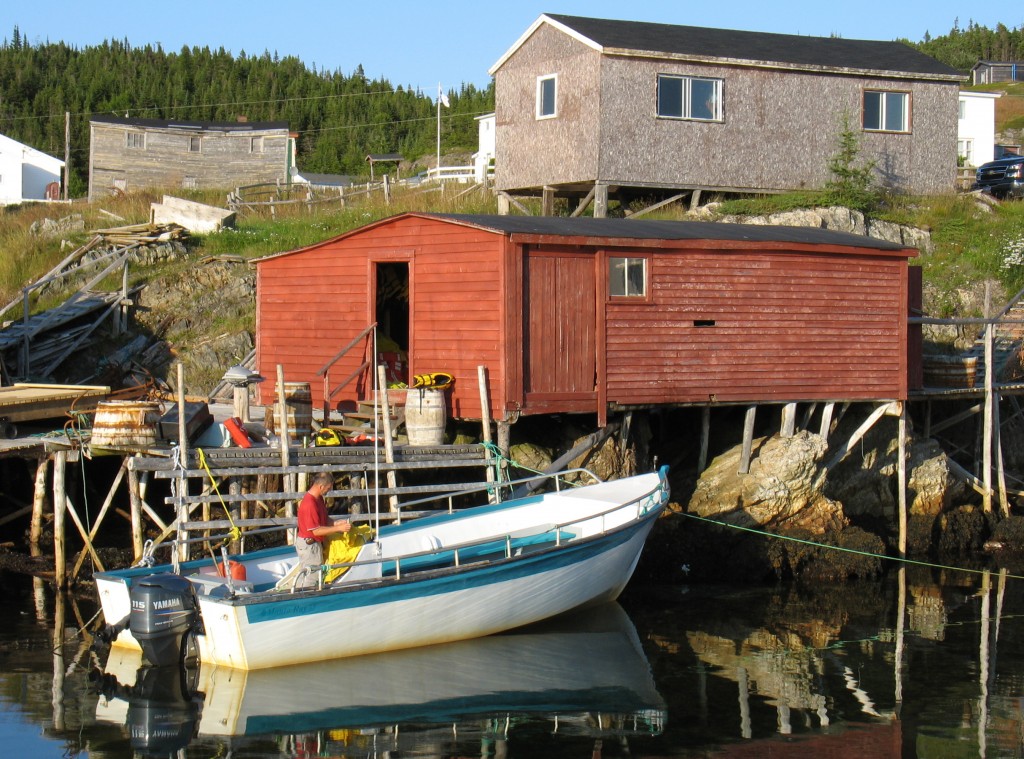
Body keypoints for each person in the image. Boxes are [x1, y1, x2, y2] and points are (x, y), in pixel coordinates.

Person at [294, 472, 350, 588]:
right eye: (328, 488)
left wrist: (335, 523)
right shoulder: (310, 503)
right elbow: (316, 530)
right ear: (321, 487)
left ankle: (302, 592)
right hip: (309, 544)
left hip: (314, 543)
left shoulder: (319, 498)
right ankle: (303, 597)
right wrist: (337, 528)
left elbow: (323, 520)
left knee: (311, 573)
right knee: (312, 574)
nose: (328, 491)